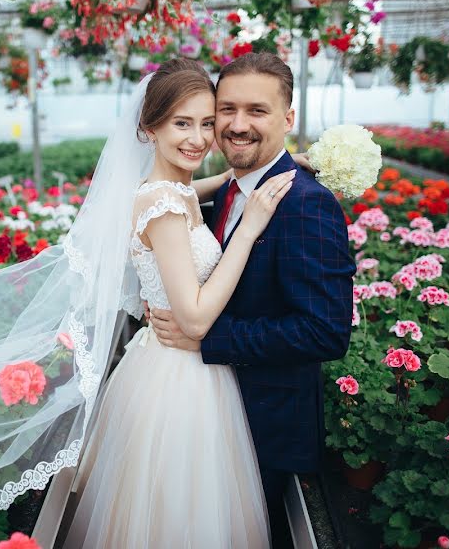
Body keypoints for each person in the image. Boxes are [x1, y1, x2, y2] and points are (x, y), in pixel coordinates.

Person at [63, 58, 298, 548]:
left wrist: (236, 183)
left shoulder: (172, 191)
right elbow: (193, 317)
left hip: (161, 362)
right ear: (149, 129)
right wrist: (249, 226)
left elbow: (186, 194)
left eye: (207, 123)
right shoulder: (164, 206)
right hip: (178, 375)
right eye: (182, 123)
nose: (198, 138)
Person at [148, 52, 356, 549]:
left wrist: (206, 339)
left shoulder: (307, 204)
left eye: (257, 112)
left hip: (262, 423)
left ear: (288, 119)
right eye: (227, 109)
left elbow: (325, 331)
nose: (237, 126)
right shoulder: (227, 191)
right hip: (199, 407)